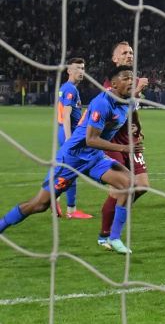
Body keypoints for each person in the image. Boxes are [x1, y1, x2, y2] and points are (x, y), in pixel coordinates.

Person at [1, 64, 139, 254]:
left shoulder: (129, 101)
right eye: (126, 78)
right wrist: (123, 147)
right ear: (113, 84)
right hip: (71, 159)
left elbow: (129, 114)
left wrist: (135, 129)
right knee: (40, 204)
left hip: (94, 158)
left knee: (129, 184)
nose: (131, 81)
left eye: (132, 77)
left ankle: (112, 238)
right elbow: (91, 140)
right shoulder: (102, 103)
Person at [97, 42, 151, 249]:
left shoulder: (134, 80)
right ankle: (105, 235)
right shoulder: (111, 82)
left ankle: (116, 217)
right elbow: (116, 106)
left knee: (142, 185)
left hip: (131, 140)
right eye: (124, 53)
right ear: (115, 59)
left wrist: (138, 127)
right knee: (119, 189)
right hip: (113, 141)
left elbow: (132, 110)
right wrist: (137, 91)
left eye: (131, 52)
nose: (129, 55)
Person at [53, 57, 93, 219]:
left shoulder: (66, 88)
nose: (81, 71)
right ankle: (70, 210)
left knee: (68, 170)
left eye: (83, 68)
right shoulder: (70, 89)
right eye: (77, 68)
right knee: (72, 171)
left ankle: (55, 198)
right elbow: (66, 115)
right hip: (69, 133)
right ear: (69, 70)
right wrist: (70, 139)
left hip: (64, 132)